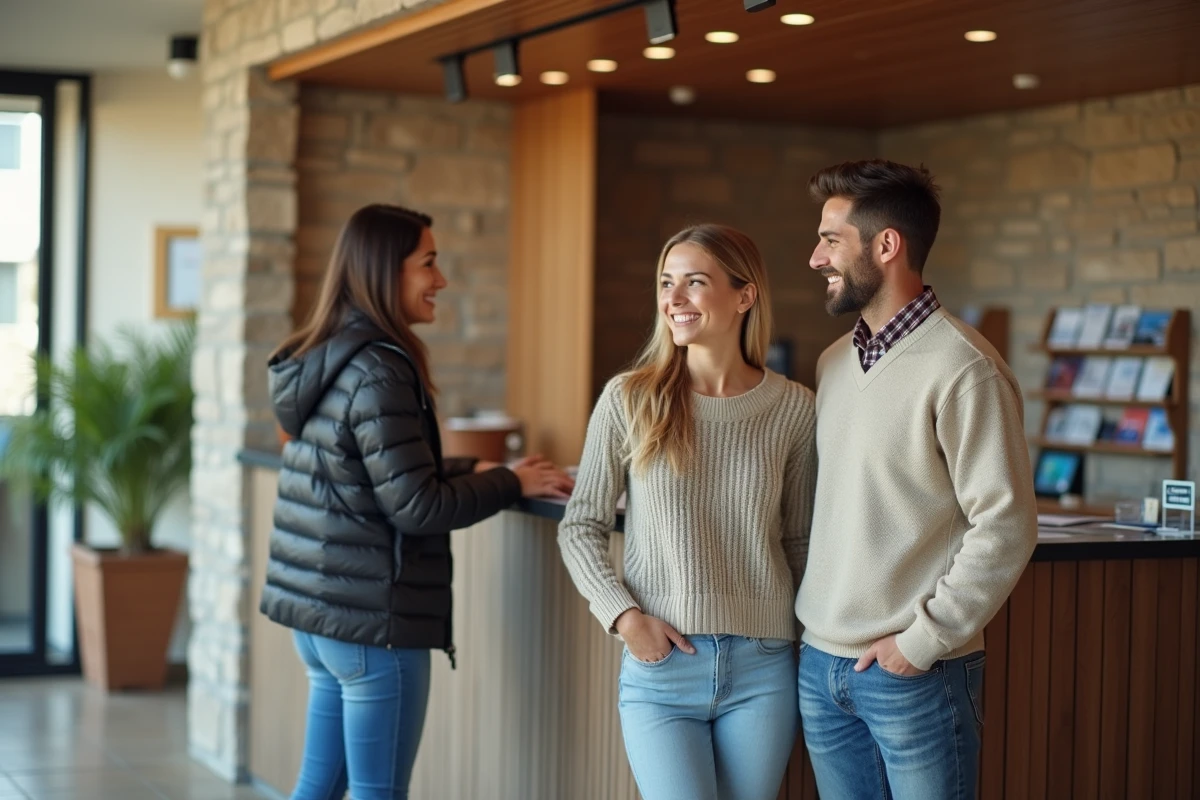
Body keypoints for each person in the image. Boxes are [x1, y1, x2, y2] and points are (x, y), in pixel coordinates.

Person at [261, 203, 574, 800]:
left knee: (318, 787)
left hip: (325, 616)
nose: (441, 280)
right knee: (377, 793)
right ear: (386, 271)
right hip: (372, 620)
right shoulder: (381, 366)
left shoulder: (332, 354)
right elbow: (417, 507)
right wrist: (513, 483)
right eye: (428, 263)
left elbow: (371, 468)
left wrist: (477, 468)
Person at [796, 159, 1038, 800]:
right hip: (821, 664)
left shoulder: (966, 369)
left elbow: (1007, 525)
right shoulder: (833, 364)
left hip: (914, 673)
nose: (815, 257)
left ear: (886, 245)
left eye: (830, 239)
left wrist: (923, 642)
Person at [559, 224, 817, 800]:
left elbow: (800, 543)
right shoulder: (630, 398)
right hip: (662, 668)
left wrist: (820, 647)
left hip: (765, 666)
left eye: (694, 283)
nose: (673, 299)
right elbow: (582, 527)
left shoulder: (796, 409)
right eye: (666, 282)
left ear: (744, 296)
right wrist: (625, 617)